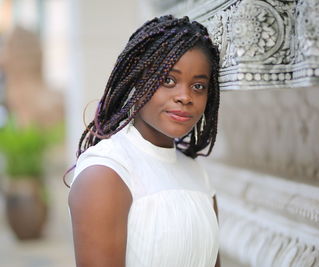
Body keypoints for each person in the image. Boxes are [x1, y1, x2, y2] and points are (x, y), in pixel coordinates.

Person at [67, 15, 221, 267]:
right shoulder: (107, 172)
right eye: (168, 80)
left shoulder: (197, 174)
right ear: (138, 80)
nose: (185, 96)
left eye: (198, 86)